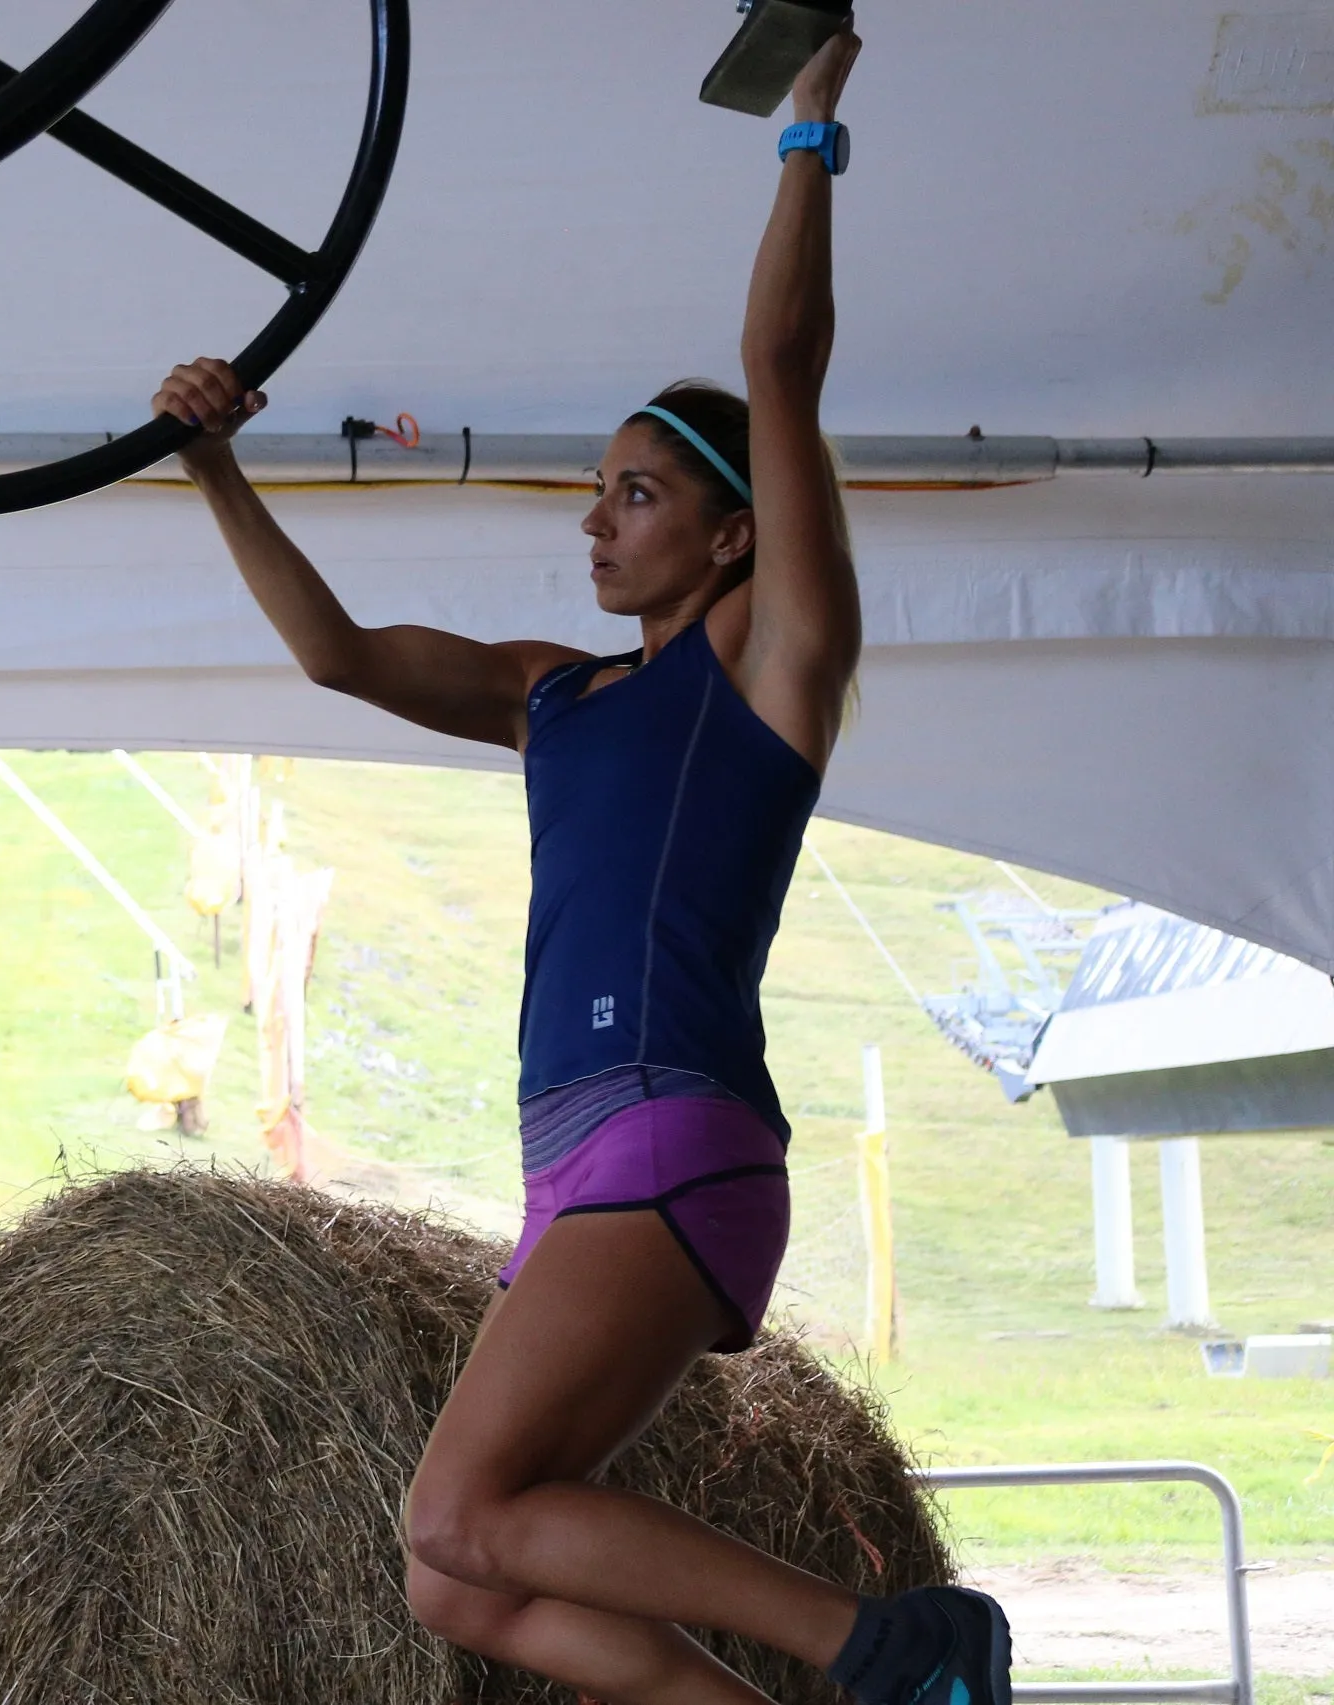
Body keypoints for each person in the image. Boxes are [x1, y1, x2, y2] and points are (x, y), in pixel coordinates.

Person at [153, 28, 1011, 1705]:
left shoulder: (766, 663)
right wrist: (213, 467)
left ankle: (891, 1644)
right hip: (575, 1174)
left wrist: (806, 137)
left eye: (635, 496)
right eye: (597, 497)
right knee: (453, 1574)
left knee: (464, 1503)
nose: (598, 523)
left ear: (733, 531)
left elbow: (780, 373)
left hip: (668, 1129)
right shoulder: (561, 696)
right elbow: (334, 655)